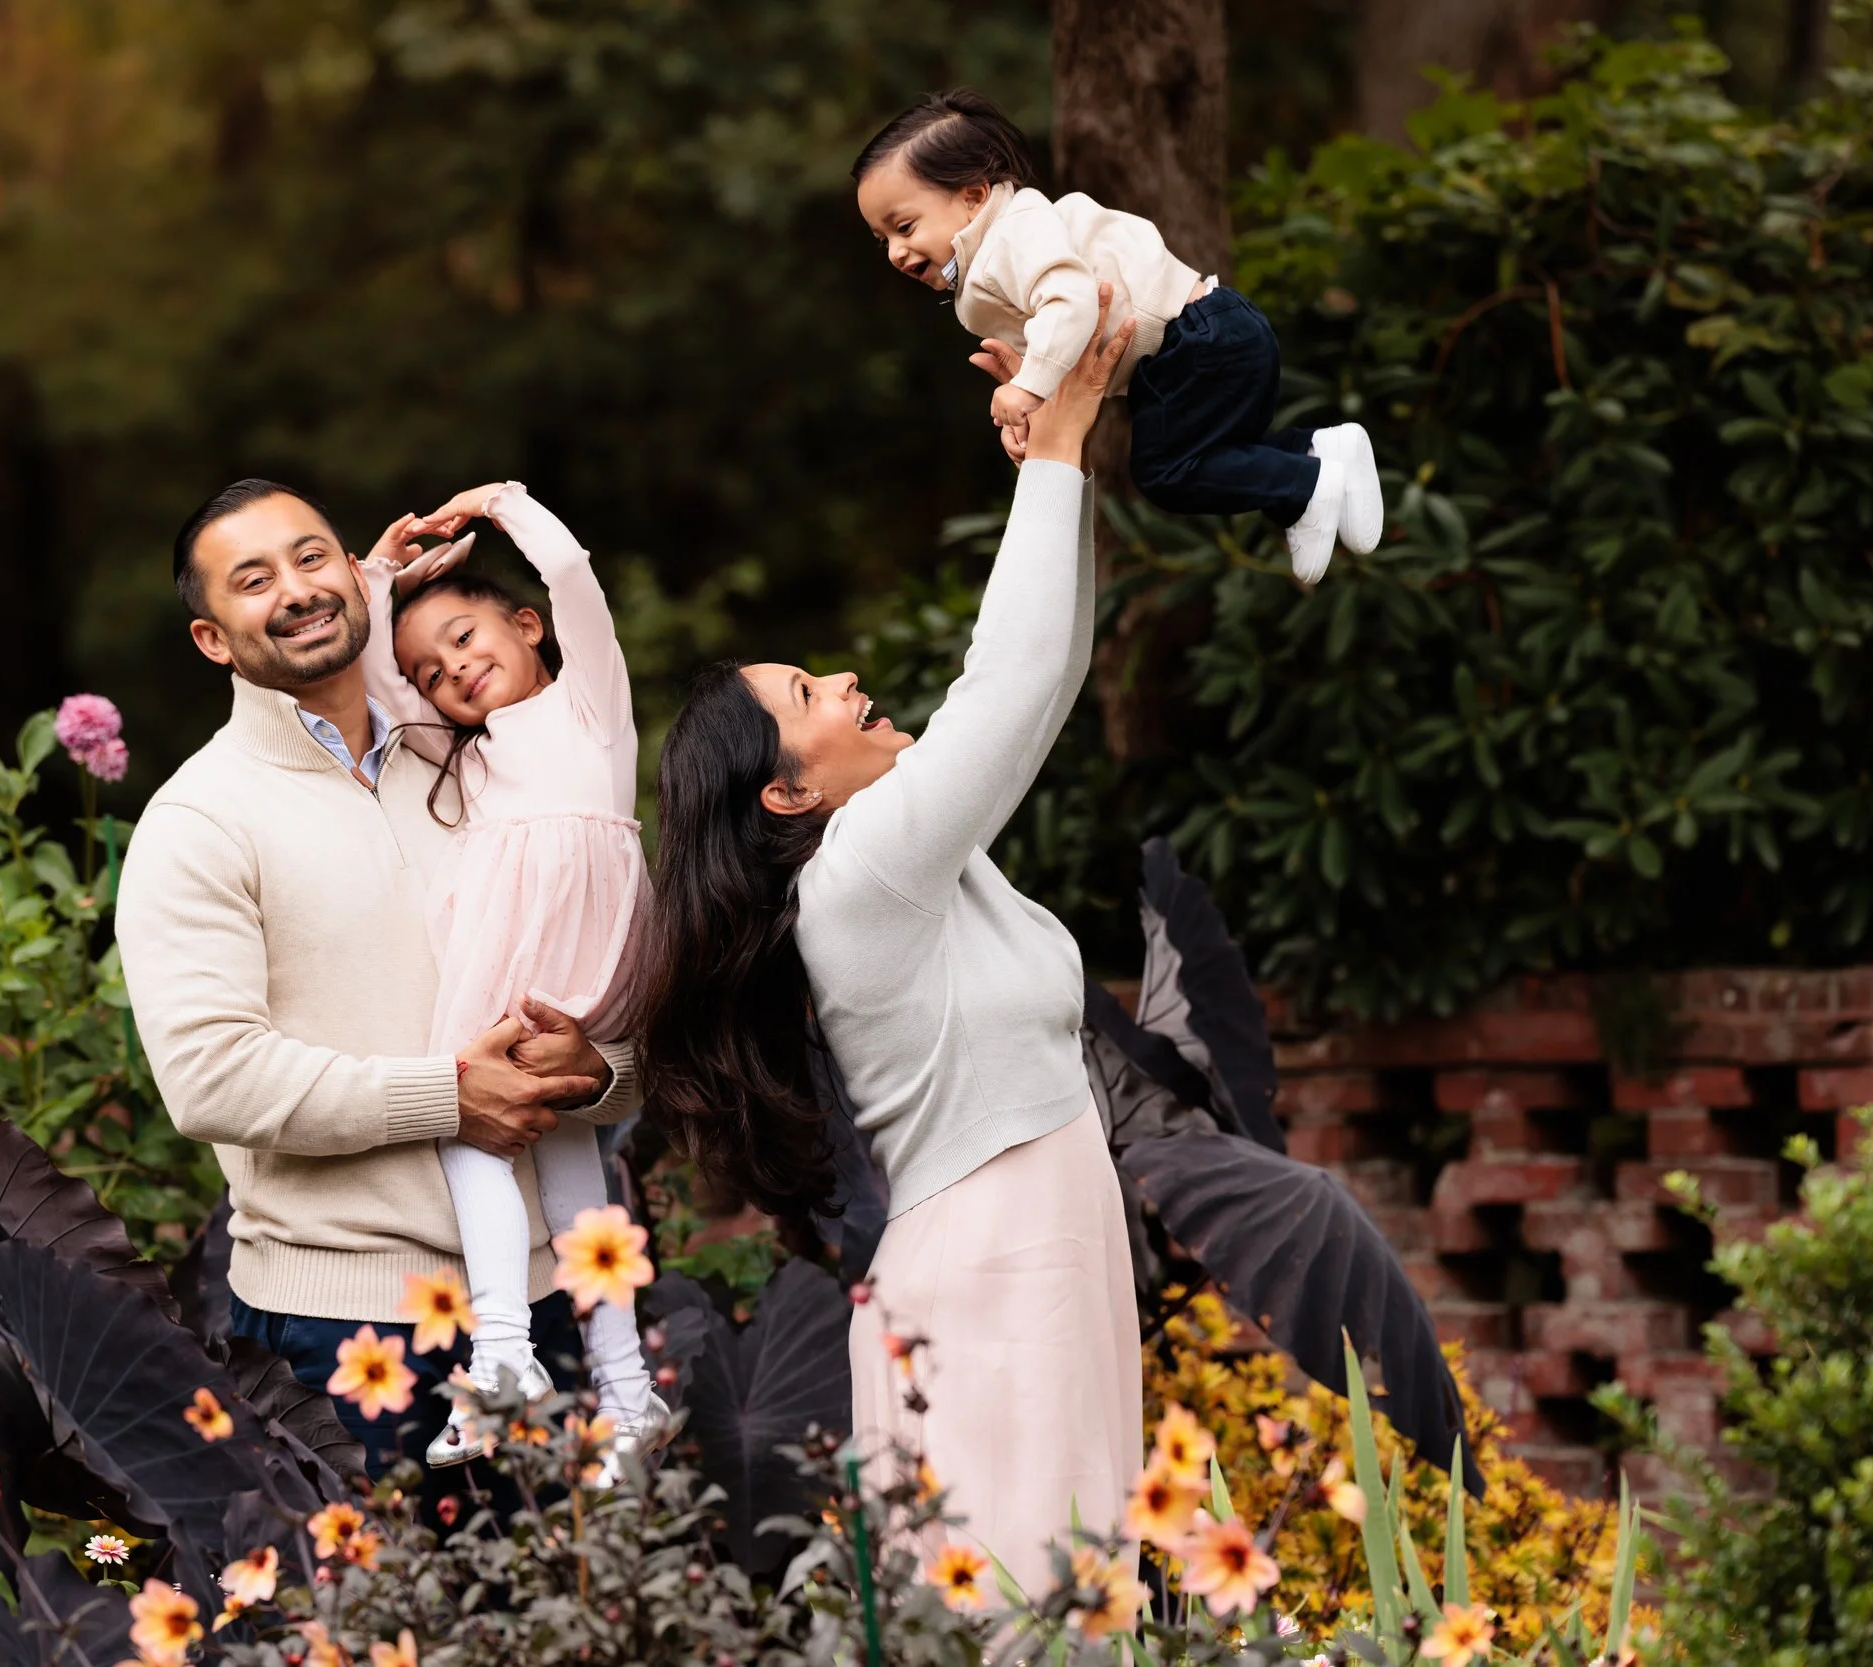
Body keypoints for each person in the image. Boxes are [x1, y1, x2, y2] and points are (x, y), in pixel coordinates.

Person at [640, 286, 1142, 1594]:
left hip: (1038, 1245)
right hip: (993, 1269)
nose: (850, 680)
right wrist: (1051, 448)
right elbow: (1014, 678)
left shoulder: (908, 863)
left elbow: (1050, 675)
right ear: (786, 792)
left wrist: (1064, 454)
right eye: (811, 693)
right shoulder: (860, 877)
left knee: (1081, 1596)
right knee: (1033, 1602)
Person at [115, 478, 642, 1495]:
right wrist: (451, 1092)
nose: (298, 589)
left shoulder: (482, 760)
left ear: (356, 574)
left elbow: (607, 995)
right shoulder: (199, 821)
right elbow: (212, 1081)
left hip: (546, 1303)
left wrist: (600, 1070)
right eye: (253, 578)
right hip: (346, 1325)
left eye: (313, 557)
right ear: (212, 638)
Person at [354, 481, 663, 1465]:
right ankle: (627, 1388)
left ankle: (502, 1355)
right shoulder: (462, 751)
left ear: (527, 625)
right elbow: (377, 681)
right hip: (537, 965)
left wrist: (502, 505)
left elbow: (572, 574)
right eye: (433, 670)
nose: (453, 670)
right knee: (574, 1172)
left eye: (468, 637)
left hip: (555, 956)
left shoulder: (589, 708)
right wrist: (376, 576)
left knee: (468, 1131)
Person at [852, 87, 1382, 584]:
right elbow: (1052, 346)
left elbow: (1071, 302)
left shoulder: (1014, 234)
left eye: (905, 227)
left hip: (1195, 344)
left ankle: (1306, 487)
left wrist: (1027, 387)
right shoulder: (994, 261)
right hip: (1203, 339)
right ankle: (1318, 452)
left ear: (973, 197)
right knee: (1212, 452)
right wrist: (1032, 414)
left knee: (1166, 472)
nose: (896, 252)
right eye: (881, 240)